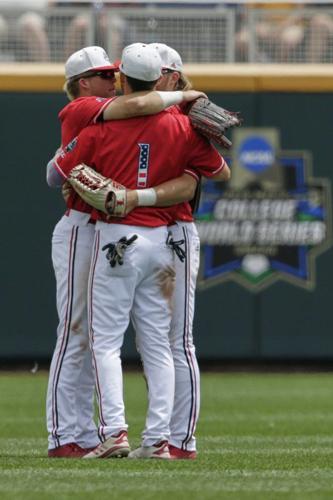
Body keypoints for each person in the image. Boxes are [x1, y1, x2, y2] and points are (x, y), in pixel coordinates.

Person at [50, 42, 230, 460]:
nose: (111, 80)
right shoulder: (182, 125)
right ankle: (160, 441)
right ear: (162, 79)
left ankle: (115, 431)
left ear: (126, 78)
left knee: (105, 341)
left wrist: (90, 179)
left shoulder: (98, 128)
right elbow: (221, 170)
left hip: (116, 239)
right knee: (162, 344)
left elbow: (58, 170)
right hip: (164, 242)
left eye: (116, 74)